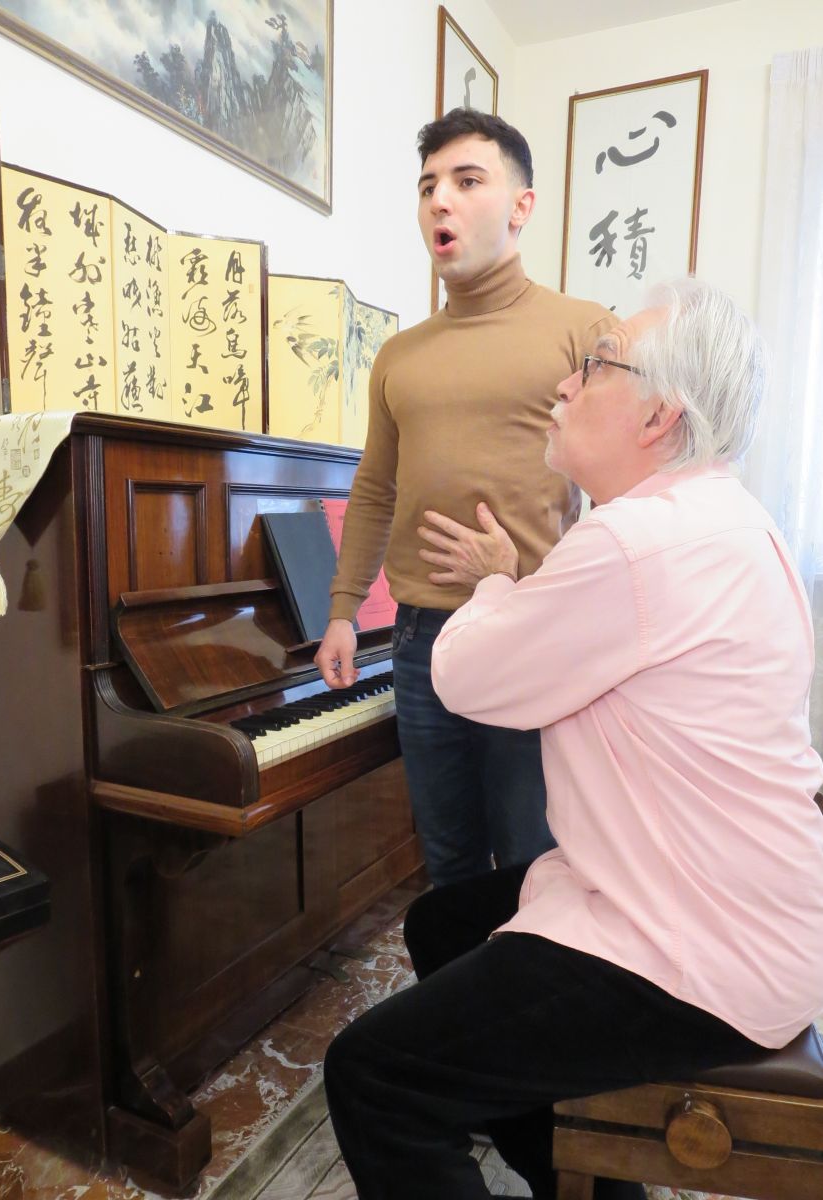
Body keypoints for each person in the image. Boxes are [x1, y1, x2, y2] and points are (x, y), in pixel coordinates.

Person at [323, 279, 823, 1200]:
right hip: (734, 898)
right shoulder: (726, 517)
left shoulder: (637, 541)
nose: (565, 383)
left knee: (372, 1074)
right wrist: (514, 587)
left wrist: (495, 581)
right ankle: (583, 1180)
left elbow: (466, 677)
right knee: (443, 921)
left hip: (699, 948)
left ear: (659, 415)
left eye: (595, 367)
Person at [314, 108, 617, 886]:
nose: (440, 201)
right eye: (427, 187)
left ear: (521, 205)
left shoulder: (586, 330)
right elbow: (375, 488)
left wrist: (530, 580)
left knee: (533, 863)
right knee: (448, 861)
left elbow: (627, 487)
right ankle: (459, 975)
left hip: (533, 629)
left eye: (467, 180)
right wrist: (343, 610)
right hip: (419, 640)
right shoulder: (399, 356)